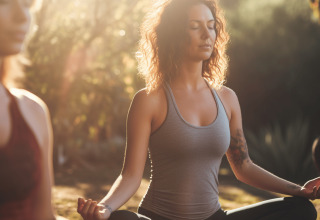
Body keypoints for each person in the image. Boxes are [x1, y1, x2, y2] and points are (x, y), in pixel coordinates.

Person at [77, 0, 319, 219]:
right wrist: (105, 208)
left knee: (300, 210)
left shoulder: (227, 98)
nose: (207, 34)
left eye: (211, 25)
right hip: (159, 217)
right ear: (174, 34)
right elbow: (130, 176)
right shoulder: (149, 100)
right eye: (195, 26)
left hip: (213, 216)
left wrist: (299, 190)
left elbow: (243, 167)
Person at [0, 0, 64, 219]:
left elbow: (44, 215)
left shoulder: (33, 112)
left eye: (27, 4)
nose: (23, 16)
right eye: (4, 2)